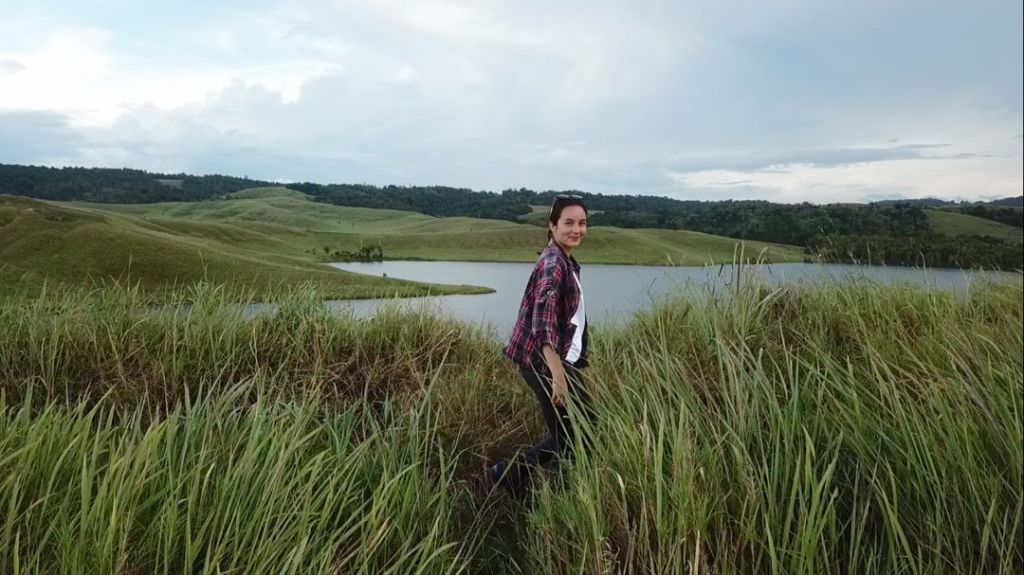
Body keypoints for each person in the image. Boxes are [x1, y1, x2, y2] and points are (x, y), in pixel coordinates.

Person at [489, 193, 594, 498]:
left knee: (577, 432)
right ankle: (508, 475)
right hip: (545, 364)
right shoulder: (554, 265)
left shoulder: (564, 260)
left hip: (554, 363)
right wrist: (558, 376)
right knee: (576, 435)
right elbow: (543, 322)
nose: (577, 229)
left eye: (582, 223)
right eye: (569, 223)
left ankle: (515, 475)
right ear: (552, 225)